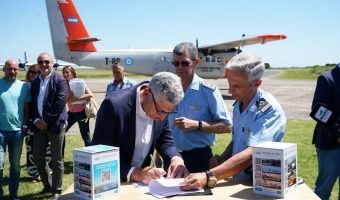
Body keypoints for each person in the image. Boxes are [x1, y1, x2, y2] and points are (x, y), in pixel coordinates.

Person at [180, 52, 286, 190]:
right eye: (229, 84)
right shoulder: (240, 103)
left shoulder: (268, 110)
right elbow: (239, 137)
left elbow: (253, 153)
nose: (230, 91)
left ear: (257, 83)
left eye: (237, 86)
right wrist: (223, 158)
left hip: (262, 185)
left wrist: (208, 176)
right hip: (240, 181)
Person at [91, 72, 189, 185]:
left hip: (143, 184)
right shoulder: (114, 105)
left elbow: (165, 142)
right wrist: (136, 173)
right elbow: (99, 156)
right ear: (147, 93)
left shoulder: (161, 106)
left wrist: (176, 159)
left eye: (169, 113)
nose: (163, 118)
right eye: (160, 111)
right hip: (111, 182)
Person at [168, 42, 232, 173]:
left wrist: (197, 125)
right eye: (176, 63)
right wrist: (158, 157)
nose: (180, 67)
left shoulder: (208, 90)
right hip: (171, 156)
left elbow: (227, 126)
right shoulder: (170, 89)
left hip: (198, 158)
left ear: (196, 62)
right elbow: (163, 125)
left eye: (185, 63)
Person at [30, 53, 68, 200]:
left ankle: (57, 189)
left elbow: (59, 104)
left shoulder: (60, 80)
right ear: (38, 64)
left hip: (55, 125)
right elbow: (32, 103)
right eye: (41, 62)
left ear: (52, 63)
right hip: (38, 126)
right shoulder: (34, 82)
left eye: (47, 61)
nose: (44, 64)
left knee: (56, 158)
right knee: (38, 157)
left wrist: (45, 121)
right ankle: (47, 184)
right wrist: (36, 120)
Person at [0, 60, 31, 200]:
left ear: (18, 70)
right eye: (9, 69)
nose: (12, 71)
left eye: (14, 69)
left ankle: (14, 194)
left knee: (15, 165)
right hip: (0, 131)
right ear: (4, 69)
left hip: (18, 132)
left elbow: (26, 108)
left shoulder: (24, 86)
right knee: (0, 165)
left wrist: (25, 125)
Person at [311, 64, 340, 200]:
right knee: (323, 189)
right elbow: (318, 111)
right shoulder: (327, 78)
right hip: (331, 143)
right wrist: (338, 133)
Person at [24, 64, 52, 183]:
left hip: (44, 122)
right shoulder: (25, 87)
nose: (32, 74)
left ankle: (47, 172)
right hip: (30, 122)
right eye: (30, 71)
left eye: (35, 72)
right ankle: (33, 173)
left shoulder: (42, 85)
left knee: (47, 149)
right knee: (31, 149)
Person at [63, 65, 93, 147]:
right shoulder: (64, 85)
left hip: (81, 113)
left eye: (67, 72)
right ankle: (60, 156)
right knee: (61, 132)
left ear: (72, 72)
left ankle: (90, 156)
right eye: (64, 73)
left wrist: (76, 99)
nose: (65, 74)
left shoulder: (79, 82)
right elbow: (64, 101)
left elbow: (90, 94)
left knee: (85, 136)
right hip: (71, 113)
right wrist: (68, 95)